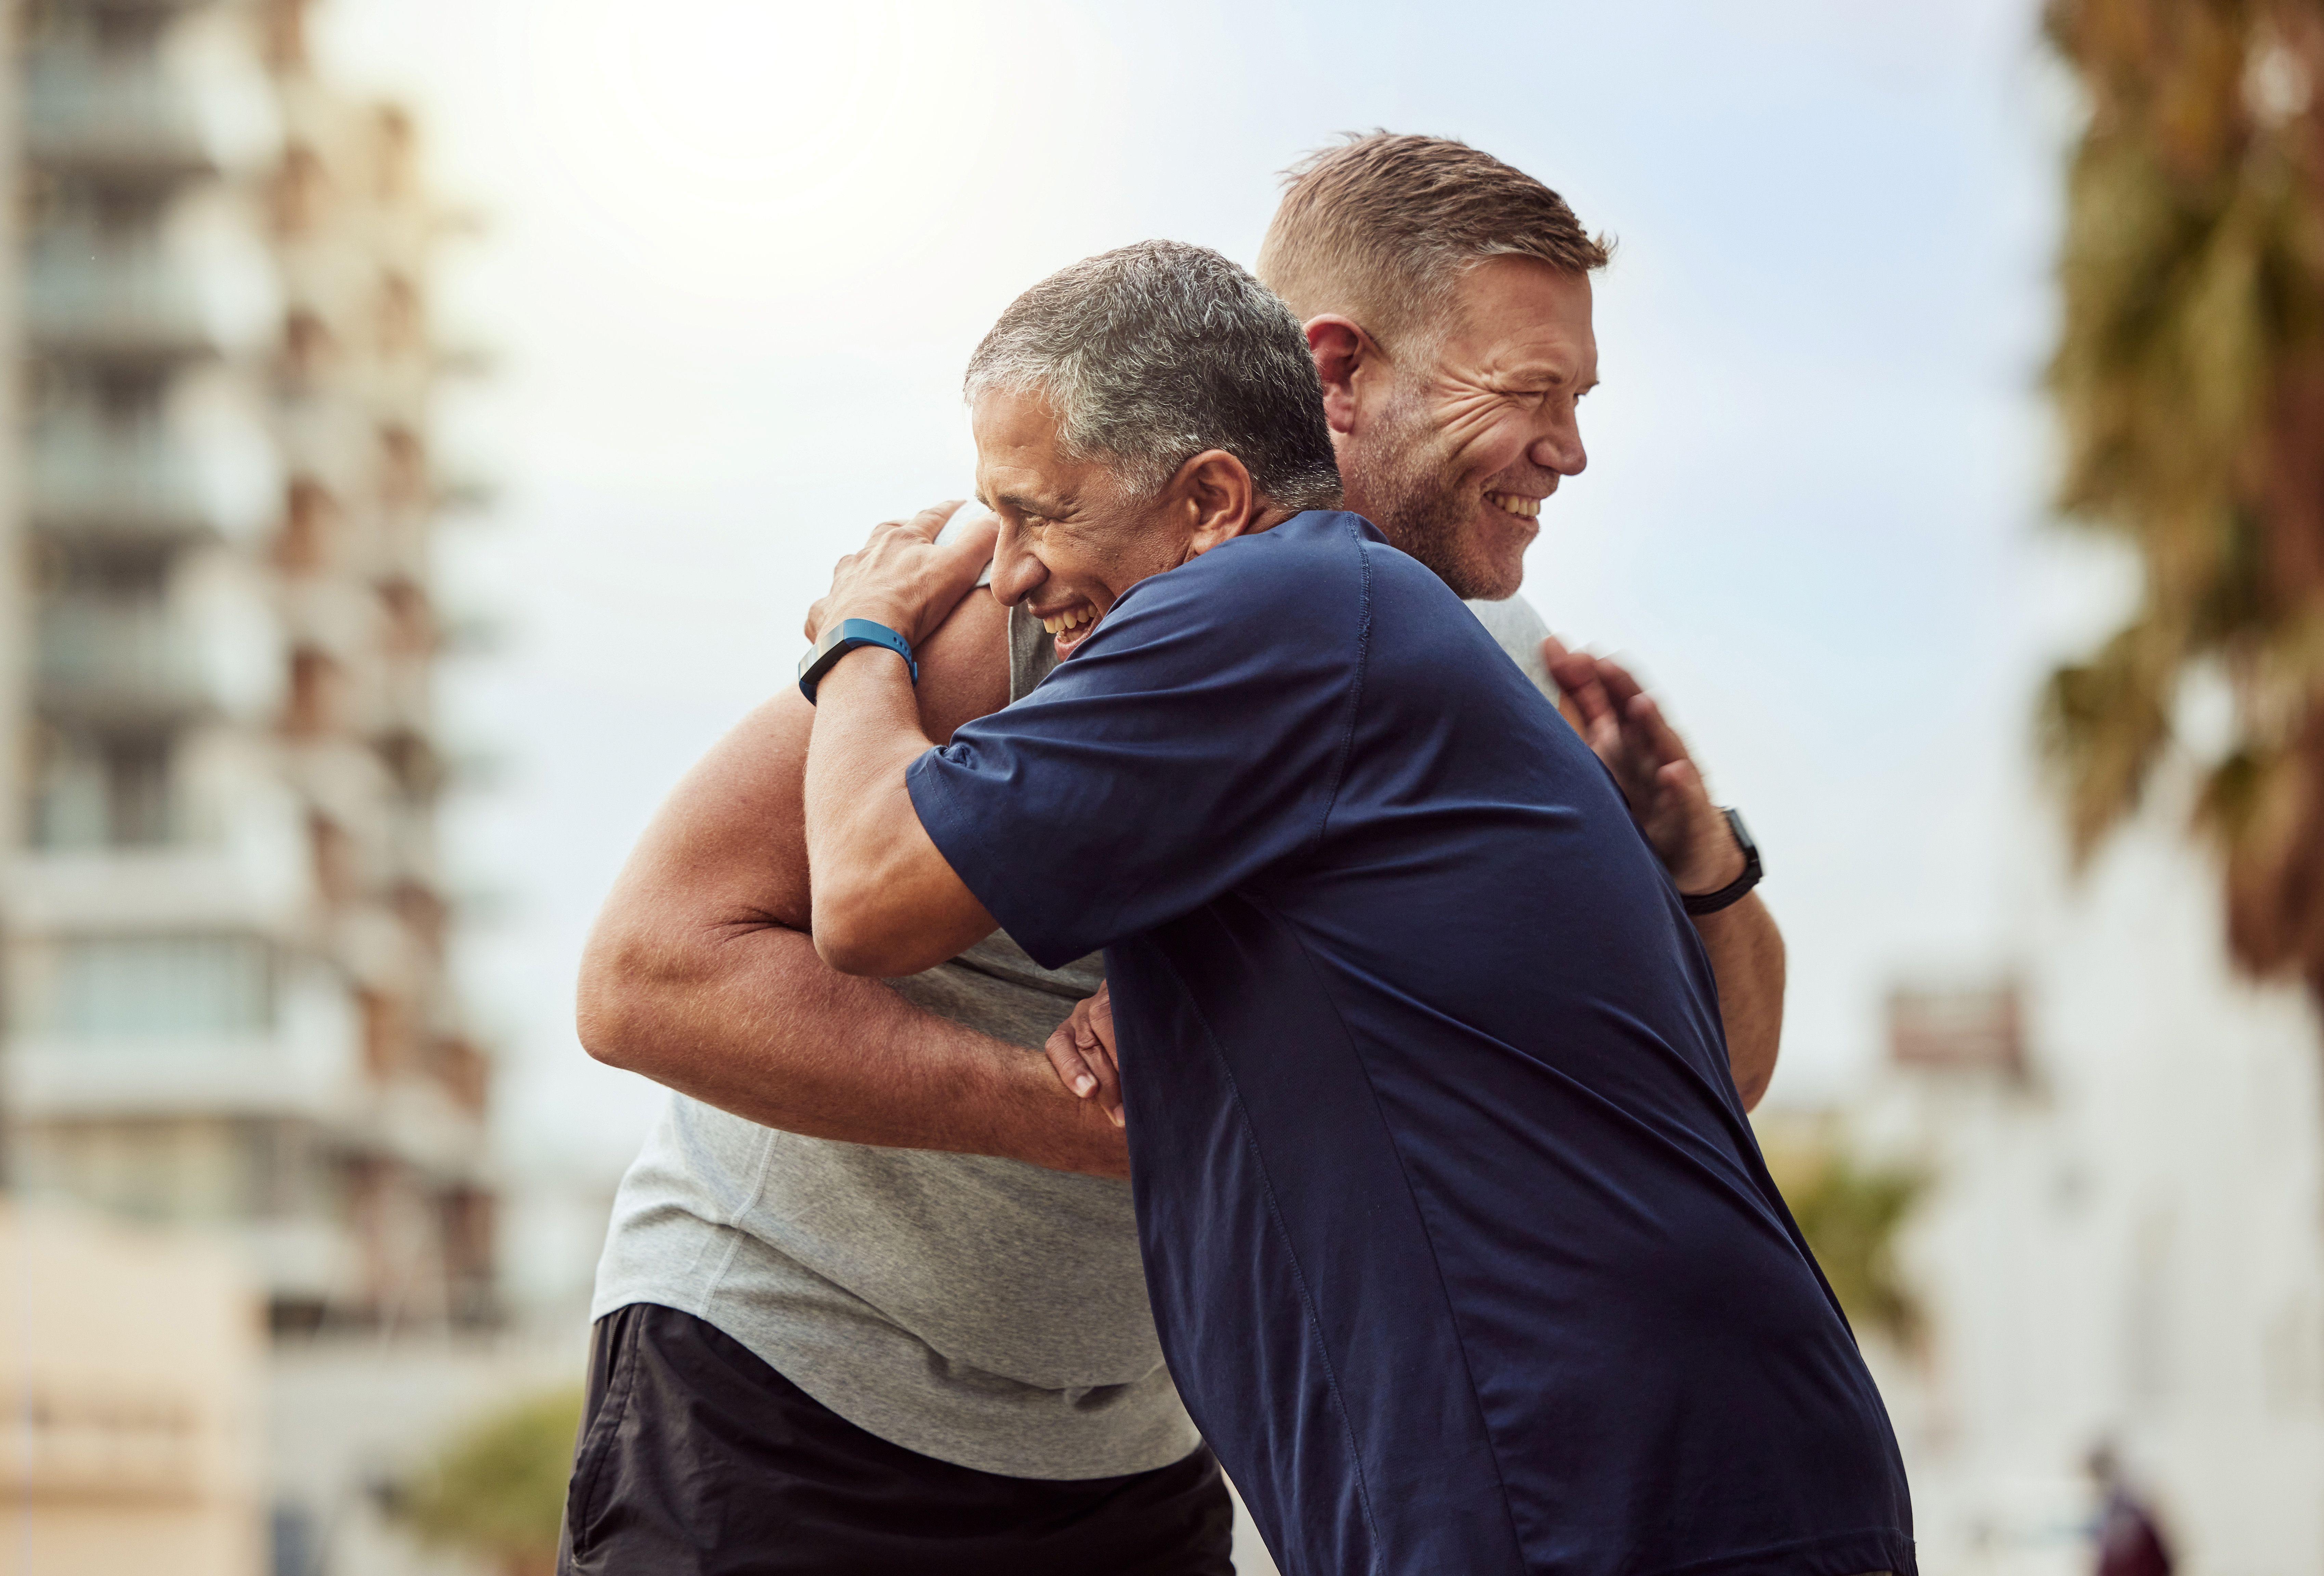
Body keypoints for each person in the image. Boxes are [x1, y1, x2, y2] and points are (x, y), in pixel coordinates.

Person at [567, 140, 1787, 1573]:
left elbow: (1719, 1075)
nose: (1569, 450)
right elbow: (646, 973)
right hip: (792, 1387)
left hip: (1134, 1446)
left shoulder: (1494, 680)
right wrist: (1045, 1107)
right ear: (1336, 374)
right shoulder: (1029, 603)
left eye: (1577, 403)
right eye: (1528, 394)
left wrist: (1701, 861)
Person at [797, 238, 1912, 1576]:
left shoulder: (1270, 602)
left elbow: (863, 890)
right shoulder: (1372, 630)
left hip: (1577, 1489)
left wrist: (858, 640)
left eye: (1037, 512)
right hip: (1665, 1478)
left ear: (1212, 498)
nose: (1008, 576)